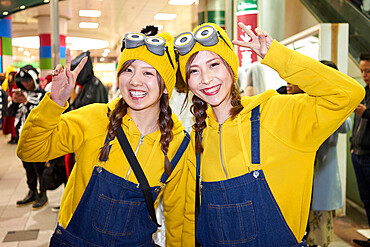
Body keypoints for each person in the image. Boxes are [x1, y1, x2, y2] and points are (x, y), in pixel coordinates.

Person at [175, 22, 364, 246]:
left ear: (231, 67)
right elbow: (189, 214)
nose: (205, 79)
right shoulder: (199, 136)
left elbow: (348, 94)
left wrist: (277, 56)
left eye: (214, 64)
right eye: (194, 70)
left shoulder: (277, 113)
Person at [17, 32, 189, 246]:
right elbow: (29, 150)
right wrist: (54, 102)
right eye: (128, 70)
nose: (135, 81)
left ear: (165, 86)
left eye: (148, 73)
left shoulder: (178, 143)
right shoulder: (94, 118)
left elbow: (179, 218)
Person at [8, 65, 47, 209]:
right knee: (27, 167)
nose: (26, 84)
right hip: (22, 137)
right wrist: (14, 102)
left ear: (34, 79)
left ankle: (43, 194)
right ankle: (32, 191)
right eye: (23, 81)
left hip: (38, 138)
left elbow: (42, 113)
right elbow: (11, 114)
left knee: (40, 168)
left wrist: (26, 102)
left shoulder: (43, 94)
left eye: (28, 80)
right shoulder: (20, 93)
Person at [350, 52, 370, 247]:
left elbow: (363, 116)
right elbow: (356, 124)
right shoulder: (364, 92)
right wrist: (351, 146)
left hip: (369, 156)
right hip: (358, 154)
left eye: (368, 71)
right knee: (366, 199)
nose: (364, 74)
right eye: (362, 70)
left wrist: (367, 113)